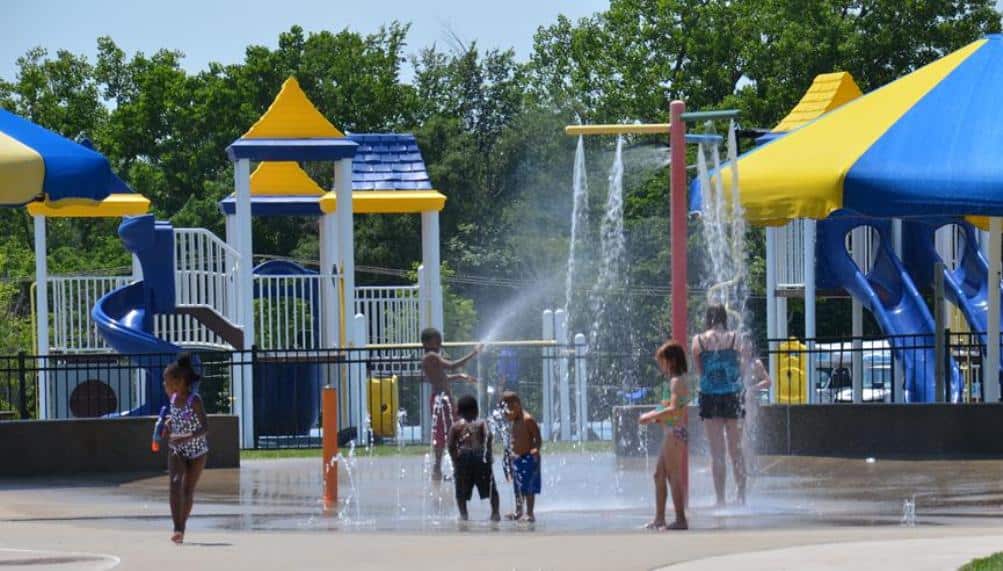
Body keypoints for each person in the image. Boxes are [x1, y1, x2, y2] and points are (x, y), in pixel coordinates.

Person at [692, 305, 771, 507]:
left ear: (708, 319)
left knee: (716, 453)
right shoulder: (736, 338)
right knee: (736, 450)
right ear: (724, 318)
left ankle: (720, 500)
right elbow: (743, 367)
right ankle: (741, 497)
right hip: (733, 396)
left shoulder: (698, 341)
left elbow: (700, 371)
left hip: (709, 396)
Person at [639, 340, 690, 530]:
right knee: (659, 474)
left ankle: (680, 519)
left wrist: (651, 415)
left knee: (673, 475)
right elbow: (672, 410)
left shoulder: (677, 382)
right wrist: (658, 417)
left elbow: (675, 409)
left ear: (672, 361)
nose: (660, 366)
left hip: (675, 434)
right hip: (672, 432)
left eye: (662, 361)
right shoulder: (675, 381)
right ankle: (659, 518)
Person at [420, 328, 483, 481]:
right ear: (427, 342)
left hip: (443, 399)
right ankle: (439, 469)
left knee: (453, 432)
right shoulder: (431, 356)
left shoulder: (431, 358)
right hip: (441, 400)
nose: (440, 341)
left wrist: (460, 376)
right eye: (437, 339)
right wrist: (473, 353)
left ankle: (453, 469)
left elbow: (442, 378)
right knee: (446, 434)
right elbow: (452, 365)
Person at [162, 353, 209, 544]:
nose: (165, 386)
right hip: (177, 448)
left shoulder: (194, 400)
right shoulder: (173, 400)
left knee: (187, 490)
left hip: (197, 451)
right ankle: (177, 529)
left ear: (180, 381)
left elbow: (205, 427)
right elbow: (177, 417)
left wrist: (187, 436)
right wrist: (168, 424)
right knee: (175, 484)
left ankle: (182, 527)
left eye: (167, 382)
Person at [447, 395, 501, 522]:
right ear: (476, 410)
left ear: (459, 411)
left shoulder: (456, 426)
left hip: (463, 457)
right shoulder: (481, 422)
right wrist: (488, 454)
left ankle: (464, 515)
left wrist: (455, 461)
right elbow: (489, 436)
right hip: (479, 456)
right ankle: (495, 513)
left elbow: (450, 445)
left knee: (461, 491)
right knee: (491, 488)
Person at [500, 391, 541, 522]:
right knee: (518, 487)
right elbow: (514, 441)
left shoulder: (528, 420)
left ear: (517, 405)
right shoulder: (515, 421)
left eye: (508, 411)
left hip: (529, 457)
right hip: (518, 459)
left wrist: (535, 449)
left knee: (529, 487)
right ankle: (519, 511)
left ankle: (530, 513)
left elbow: (538, 439)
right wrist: (509, 455)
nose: (506, 415)